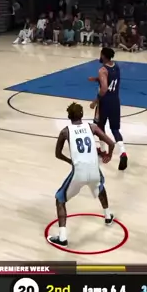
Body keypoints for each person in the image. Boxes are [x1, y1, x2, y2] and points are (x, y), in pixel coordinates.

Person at [47, 102, 115, 247]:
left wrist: (70, 161)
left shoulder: (65, 132)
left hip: (79, 172)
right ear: (82, 115)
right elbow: (111, 143)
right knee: (100, 186)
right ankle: (108, 215)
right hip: (94, 170)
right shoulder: (92, 127)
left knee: (60, 199)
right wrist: (108, 155)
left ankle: (62, 238)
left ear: (68, 116)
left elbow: (57, 154)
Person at [88, 47, 128, 171]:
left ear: (104, 56)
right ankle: (123, 153)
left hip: (104, 102)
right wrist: (96, 79)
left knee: (99, 127)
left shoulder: (102, 70)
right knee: (115, 129)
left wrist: (95, 101)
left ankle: (103, 150)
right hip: (115, 101)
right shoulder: (116, 67)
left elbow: (104, 88)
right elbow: (111, 81)